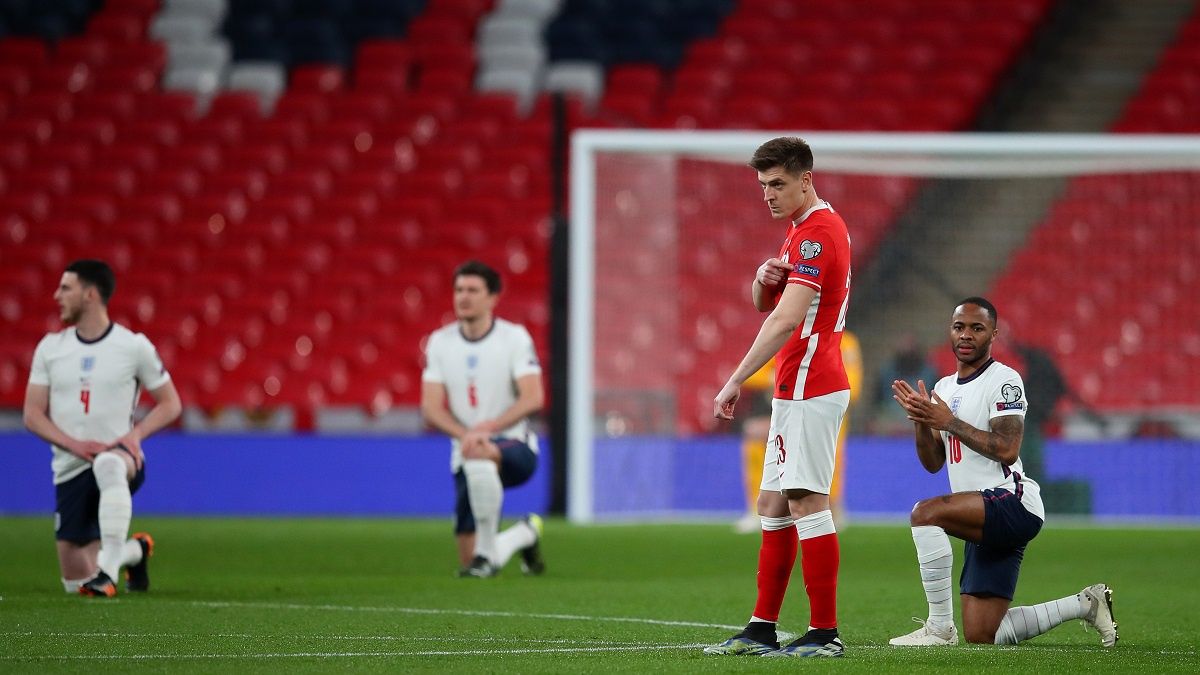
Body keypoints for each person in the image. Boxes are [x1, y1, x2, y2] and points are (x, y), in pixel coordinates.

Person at [888, 297, 1117, 647]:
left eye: (976, 328)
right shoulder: (944, 388)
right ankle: (1086, 604)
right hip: (981, 514)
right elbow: (934, 462)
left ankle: (938, 629)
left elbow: (1007, 448)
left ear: (993, 334)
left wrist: (948, 420)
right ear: (949, 332)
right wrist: (922, 421)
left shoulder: (1004, 380)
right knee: (984, 634)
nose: (966, 335)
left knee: (925, 514)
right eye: (959, 327)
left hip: (1013, 503)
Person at [706, 136, 852, 658]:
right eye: (763, 185)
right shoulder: (798, 234)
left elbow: (787, 318)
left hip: (814, 383)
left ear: (805, 179)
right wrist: (761, 279)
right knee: (772, 503)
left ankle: (825, 634)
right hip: (795, 386)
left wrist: (735, 379)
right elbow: (766, 302)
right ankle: (762, 628)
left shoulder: (818, 233)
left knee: (808, 501)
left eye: (778, 184)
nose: (767, 194)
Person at [22, 259, 182, 597]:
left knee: (108, 464)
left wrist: (134, 436)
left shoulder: (133, 346)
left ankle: (108, 574)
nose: (56, 295)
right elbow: (32, 415)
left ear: (91, 294)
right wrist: (74, 445)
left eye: (66, 288)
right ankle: (134, 552)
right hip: (70, 467)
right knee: (74, 584)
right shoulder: (50, 349)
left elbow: (171, 404)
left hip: (121, 460)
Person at [420, 260, 546, 578]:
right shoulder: (440, 342)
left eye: (473, 290)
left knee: (479, 452)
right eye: (459, 290)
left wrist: (487, 429)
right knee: (468, 556)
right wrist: (466, 434)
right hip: (466, 448)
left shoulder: (513, 338)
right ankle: (524, 534)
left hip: (514, 444)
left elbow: (534, 397)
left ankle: (487, 559)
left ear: (492, 298)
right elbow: (431, 409)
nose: (464, 297)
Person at [735, 330, 860, 533]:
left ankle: (832, 508)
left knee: (829, 453)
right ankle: (757, 509)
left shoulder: (845, 342)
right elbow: (752, 374)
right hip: (791, 409)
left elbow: (853, 386)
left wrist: (800, 379)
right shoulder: (789, 334)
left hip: (825, 411)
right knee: (755, 434)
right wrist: (782, 376)